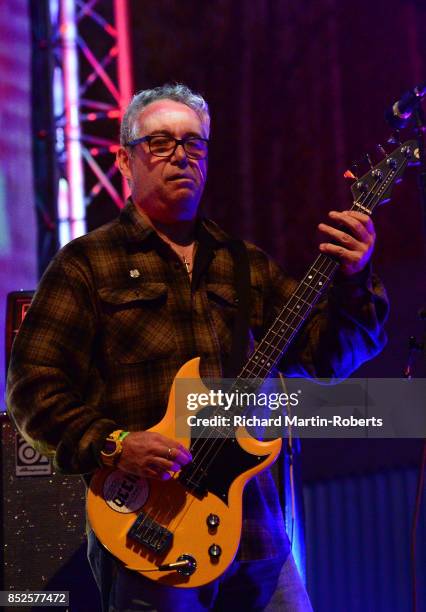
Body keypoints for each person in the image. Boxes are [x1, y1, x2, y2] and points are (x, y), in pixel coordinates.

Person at [7, 84, 388, 611]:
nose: (181, 155)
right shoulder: (85, 265)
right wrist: (115, 443)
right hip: (151, 534)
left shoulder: (244, 264)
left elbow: (331, 357)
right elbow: (32, 389)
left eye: (195, 143)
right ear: (123, 159)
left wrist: (355, 275)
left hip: (257, 532)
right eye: (161, 143)